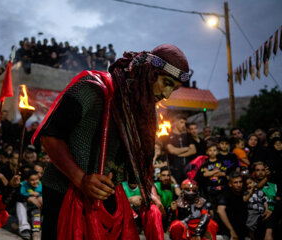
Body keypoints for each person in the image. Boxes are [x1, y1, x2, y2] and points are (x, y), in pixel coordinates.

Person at [32, 44, 190, 239]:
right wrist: (80, 178)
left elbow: (138, 170)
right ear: (148, 72)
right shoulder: (91, 88)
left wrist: (152, 196)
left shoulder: (145, 114)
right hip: (64, 191)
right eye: (166, 82)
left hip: (108, 197)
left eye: (173, 89)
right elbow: (51, 136)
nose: (167, 94)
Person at [217, 171, 248, 240]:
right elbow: (220, 211)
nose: (239, 184)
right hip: (227, 231)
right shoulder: (226, 194)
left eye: (240, 182)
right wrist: (231, 230)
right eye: (235, 182)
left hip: (244, 230)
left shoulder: (245, 193)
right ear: (230, 184)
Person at [166, 114, 196, 183]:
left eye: (184, 123)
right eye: (181, 122)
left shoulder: (187, 136)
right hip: (175, 169)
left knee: (189, 186)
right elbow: (172, 151)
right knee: (177, 188)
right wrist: (187, 148)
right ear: (175, 122)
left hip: (188, 168)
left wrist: (181, 154)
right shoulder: (168, 136)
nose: (183, 125)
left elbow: (193, 150)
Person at [199, 143, 227, 215]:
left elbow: (223, 173)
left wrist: (210, 172)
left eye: (214, 150)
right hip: (209, 190)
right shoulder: (205, 163)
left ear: (217, 151)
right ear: (207, 152)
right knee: (211, 210)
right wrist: (217, 170)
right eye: (210, 150)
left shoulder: (221, 162)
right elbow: (204, 174)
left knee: (221, 208)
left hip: (221, 189)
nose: (212, 152)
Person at [243, 174, 271, 239]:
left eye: (250, 183)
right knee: (250, 225)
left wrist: (266, 209)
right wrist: (250, 193)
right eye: (247, 184)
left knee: (262, 226)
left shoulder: (260, 191)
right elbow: (245, 199)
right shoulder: (246, 192)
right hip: (252, 211)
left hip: (261, 211)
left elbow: (265, 200)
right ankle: (251, 237)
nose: (249, 185)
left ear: (254, 182)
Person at [18, 170, 43, 240]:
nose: (35, 182)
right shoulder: (24, 185)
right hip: (27, 206)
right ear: (27, 180)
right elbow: (21, 194)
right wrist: (30, 194)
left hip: (36, 207)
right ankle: (25, 228)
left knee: (36, 215)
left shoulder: (41, 185)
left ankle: (36, 230)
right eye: (32, 180)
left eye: (36, 179)